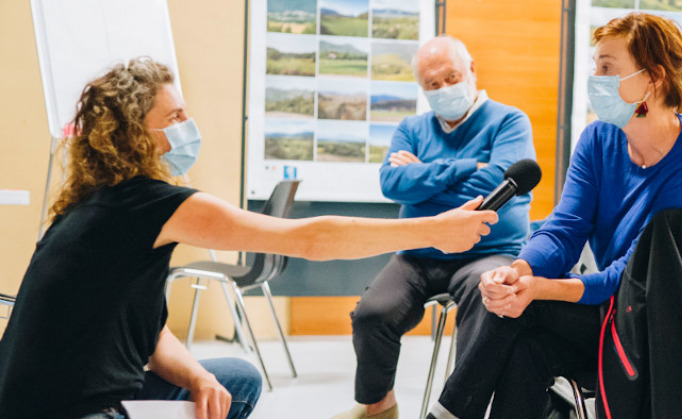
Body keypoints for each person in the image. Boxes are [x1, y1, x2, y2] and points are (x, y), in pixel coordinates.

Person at [0, 58, 499, 419]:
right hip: (71, 408)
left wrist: (196, 376)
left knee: (231, 379)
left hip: (34, 394)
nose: (187, 126)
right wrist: (434, 229)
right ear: (135, 135)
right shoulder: (149, 204)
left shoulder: (95, 205)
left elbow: (146, 333)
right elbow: (312, 239)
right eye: (174, 118)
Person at [426, 13, 682, 419]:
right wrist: (520, 270)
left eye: (608, 68)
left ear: (654, 77)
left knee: (525, 307)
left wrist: (536, 289)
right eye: (596, 67)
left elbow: (630, 280)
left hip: (656, 328)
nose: (596, 78)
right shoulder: (598, 138)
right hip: (608, 313)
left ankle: (444, 415)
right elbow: (565, 228)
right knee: (523, 346)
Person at [334, 35, 535, 419]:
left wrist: (420, 178)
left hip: (486, 250)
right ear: (422, 88)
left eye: (451, 77)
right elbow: (391, 184)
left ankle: (460, 410)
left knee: (488, 302)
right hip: (419, 251)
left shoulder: (509, 121)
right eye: (432, 84)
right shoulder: (412, 127)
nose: (443, 89)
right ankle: (378, 405)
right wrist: (466, 167)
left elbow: (497, 186)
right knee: (372, 314)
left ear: (472, 70)